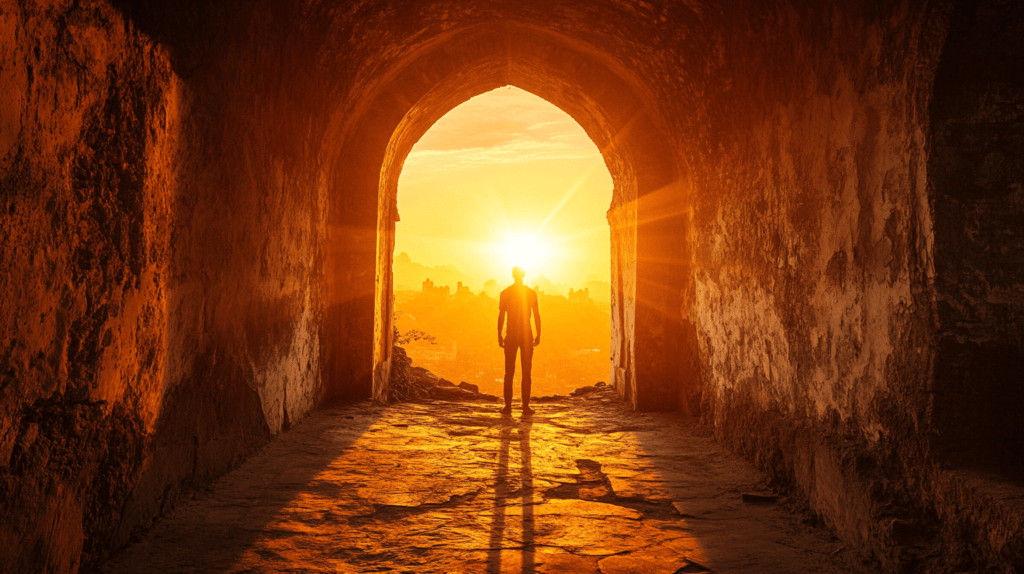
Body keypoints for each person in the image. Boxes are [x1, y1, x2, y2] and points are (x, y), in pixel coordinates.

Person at [498, 266, 541, 415]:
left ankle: (508, 406)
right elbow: (536, 315)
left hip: (511, 335)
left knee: (509, 372)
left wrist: (499, 335)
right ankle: (525, 406)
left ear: (512, 275)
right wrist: (538, 334)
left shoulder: (505, 293)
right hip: (526, 335)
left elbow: (501, 316)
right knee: (526, 373)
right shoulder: (530, 293)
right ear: (523, 275)